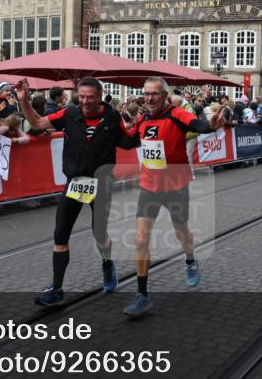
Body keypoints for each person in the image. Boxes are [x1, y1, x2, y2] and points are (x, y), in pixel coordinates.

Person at [17, 77, 140, 307]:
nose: (84, 101)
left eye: (90, 97)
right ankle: (57, 288)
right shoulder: (70, 113)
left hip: (101, 183)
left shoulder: (112, 117)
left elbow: (128, 141)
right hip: (74, 182)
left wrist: (145, 126)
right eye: (81, 96)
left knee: (100, 235)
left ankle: (106, 263)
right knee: (60, 235)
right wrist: (24, 101)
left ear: (100, 97)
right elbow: (37, 123)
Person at [122, 76, 225, 317]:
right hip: (149, 186)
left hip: (175, 185)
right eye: (146, 94)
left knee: (182, 233)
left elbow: (196, 125)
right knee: (140, 240)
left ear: (164, 96)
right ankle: (142, 295)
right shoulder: (144, 118)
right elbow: (128, 142)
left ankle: (190, 259)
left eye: (154, 94)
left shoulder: (177, 114)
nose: (149, 98)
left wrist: (210, 125)